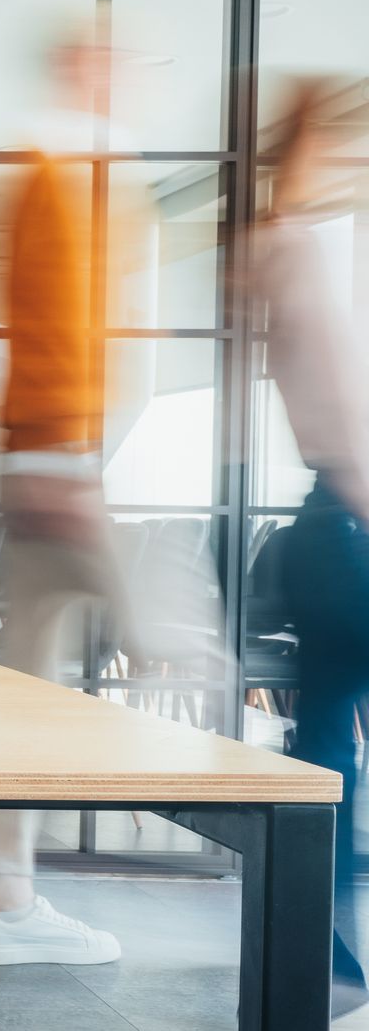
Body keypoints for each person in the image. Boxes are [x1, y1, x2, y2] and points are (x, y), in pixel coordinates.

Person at [0, 16, 137, 968]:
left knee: (32, 684)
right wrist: (59, 456)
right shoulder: (53, 172)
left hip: (57, 454)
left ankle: (10, 897)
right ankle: (9, 899)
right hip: (56, 456)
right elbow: (41, 324)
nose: (121, 78)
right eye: (105, 61)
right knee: (180, 644)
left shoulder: (76, 170)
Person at [249, 79, 369, 1017]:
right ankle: (322, 960)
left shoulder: (283, 246)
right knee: (330, 745)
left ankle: (320, 961)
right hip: (346, 523)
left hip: (326, 526)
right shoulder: (302, 250)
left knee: (329, 740)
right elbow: (345, 427)